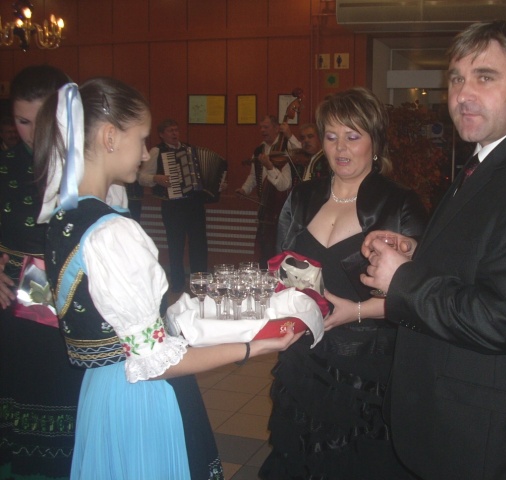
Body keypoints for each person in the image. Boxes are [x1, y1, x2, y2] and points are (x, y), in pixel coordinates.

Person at [33, 77, 302, 480]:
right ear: (110, 137)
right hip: (136, 396)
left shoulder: (63, 214)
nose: (146, 154)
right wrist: (255, 345)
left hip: (100, 389)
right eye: (141, 139)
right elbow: (153, 362)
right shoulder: (113, 232)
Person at [361, 20, 506, 479]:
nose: (463, 94)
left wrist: (403, 278)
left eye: (484, 77)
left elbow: (502, 317)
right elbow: (485, 254)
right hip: (456, 422)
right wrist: (418, 253)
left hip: (491, 440)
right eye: (456, 78)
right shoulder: (490, 159)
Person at [259, 87, 428, 480]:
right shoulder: (303, 196)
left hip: (366, 368)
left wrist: (357, 311)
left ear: (375, 142)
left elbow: (421, 296)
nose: (341, 148)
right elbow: (278, 271)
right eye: (332, 136)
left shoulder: (400, 203)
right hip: (303, 356)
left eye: (353, 136)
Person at [0, 65, 86, 480]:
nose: (33, 134)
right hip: (13, 307)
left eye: (44, 121)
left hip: (76, 304)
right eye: (22, 121)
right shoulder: (3, 165)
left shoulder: (87, 166)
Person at [138, 119, 208, 292]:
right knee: (175, 245)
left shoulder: (189, 150)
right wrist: (156, 178)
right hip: (172, 206)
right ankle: (177, 283)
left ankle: (199, 283)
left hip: (194, 204)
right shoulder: (157, 151)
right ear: (161, 134)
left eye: (176, 130)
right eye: (170, 131)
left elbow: (201, 176)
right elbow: (142, 177)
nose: (175, 133)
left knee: (199, 245)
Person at [236, 115, 301, 268]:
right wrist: (244, 189)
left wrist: (289, 135)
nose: (262, 130)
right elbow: (254, 175)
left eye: (266, 127)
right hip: (266, 206)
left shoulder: (286, 146)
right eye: (261, 127)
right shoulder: (259, 149)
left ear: (277, 128)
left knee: (279, 247)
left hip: (282, 205)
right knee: (264, 250)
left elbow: (302, 153)